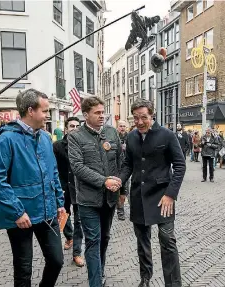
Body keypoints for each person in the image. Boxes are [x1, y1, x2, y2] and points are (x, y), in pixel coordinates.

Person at [0, 89, 65, 287]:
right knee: (23, 269)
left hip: (47, 211)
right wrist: (17, 211)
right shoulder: (7, 139)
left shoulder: (46, 138)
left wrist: (60, 203)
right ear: (31, 110)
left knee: (56, 260)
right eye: (45, 111)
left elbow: (53, 172)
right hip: (21, 216)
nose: (48, 115)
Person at [115, 99, 186, 287]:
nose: (139, 122)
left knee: (167, 240)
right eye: (136, 118)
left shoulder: (167, 135)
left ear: (152, 115)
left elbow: (180, 166)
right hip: (138, 196)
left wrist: (171, 194)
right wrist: (119, 181)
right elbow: (128, 164)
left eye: (143, 118)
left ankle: (173, 283)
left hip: (163, 197)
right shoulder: (131, 137)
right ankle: (145, 279)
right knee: (142, 242)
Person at [67, 97, 123, 287]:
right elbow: (77, 167)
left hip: (110, 199)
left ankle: (100, 270)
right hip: (88, 200)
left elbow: (121, 163)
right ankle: (95, 283)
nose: (102, 116)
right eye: (97, 113)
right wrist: (103, 181)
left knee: (105, 237)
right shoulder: (75, 136)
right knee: (93, 240)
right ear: (85, 115)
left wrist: (122, 188)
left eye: (103, 112)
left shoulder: (112, 132)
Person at [53, 116, 84, 267]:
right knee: (64, 217)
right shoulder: (57, 146)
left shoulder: (83, 146)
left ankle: (77, 253)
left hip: (79, 190)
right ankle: (69, 237)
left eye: (77, 126)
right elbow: (52, 169)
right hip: (63, 189)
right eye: (72, 126)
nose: (75, 128)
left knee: (79, 221)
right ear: (66, 128)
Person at [116, 120, 129, 221]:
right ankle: (120, 211)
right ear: (117, 127)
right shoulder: (114, 138)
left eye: (124, 126)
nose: (122, 128)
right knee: (119, 191)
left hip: (127, 168)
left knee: (125, 191)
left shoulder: (130, 138)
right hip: (116, 169)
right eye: (120, 126)